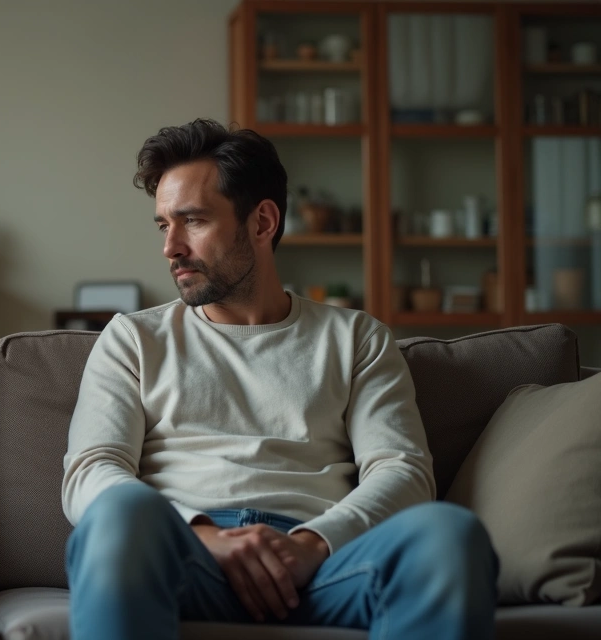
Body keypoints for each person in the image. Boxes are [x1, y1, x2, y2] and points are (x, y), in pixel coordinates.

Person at [62, 119, 497, 639]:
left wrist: (312, 545)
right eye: (163, 225)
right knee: (119, 513)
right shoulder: (133, 338)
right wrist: (202, 534)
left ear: (263, 222)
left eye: (193, 221)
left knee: (449, 534)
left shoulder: (356, 338)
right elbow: (91, 471)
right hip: (186, 557)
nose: (170, 248)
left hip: (323, 566)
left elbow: (402, 472)